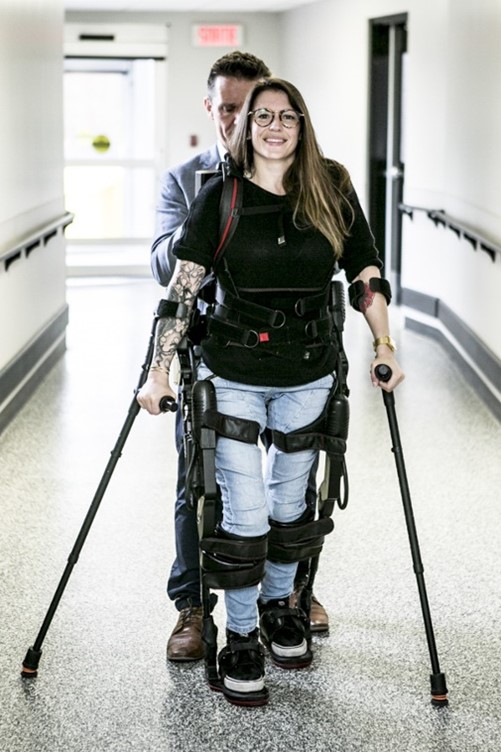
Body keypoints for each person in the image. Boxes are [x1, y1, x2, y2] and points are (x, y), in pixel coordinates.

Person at [138, 77, 404, 706]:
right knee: (245, 511)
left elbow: (365, 270)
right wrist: (158, 370)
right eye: (263, 116)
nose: (275, 127)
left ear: (302, 125)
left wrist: (384, 344)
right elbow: (182, 289)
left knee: (291, 507)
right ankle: (240, 634)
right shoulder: (222, 194)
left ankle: (281, 605)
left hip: (308, 370)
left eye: (287, 116)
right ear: (245, 126)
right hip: (231, 371)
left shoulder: (331, 187)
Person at [151, 52, 329, 664]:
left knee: (292, 481)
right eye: (230, 109)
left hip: (293, 356)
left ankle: (293, 590)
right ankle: (194, 603)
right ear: (213, 108)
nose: (242, 120)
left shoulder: (305, 176)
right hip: (213, 349)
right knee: (202, 481)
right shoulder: (189, 180)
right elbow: (164, 266)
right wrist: (214, 215)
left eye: (252, 109)